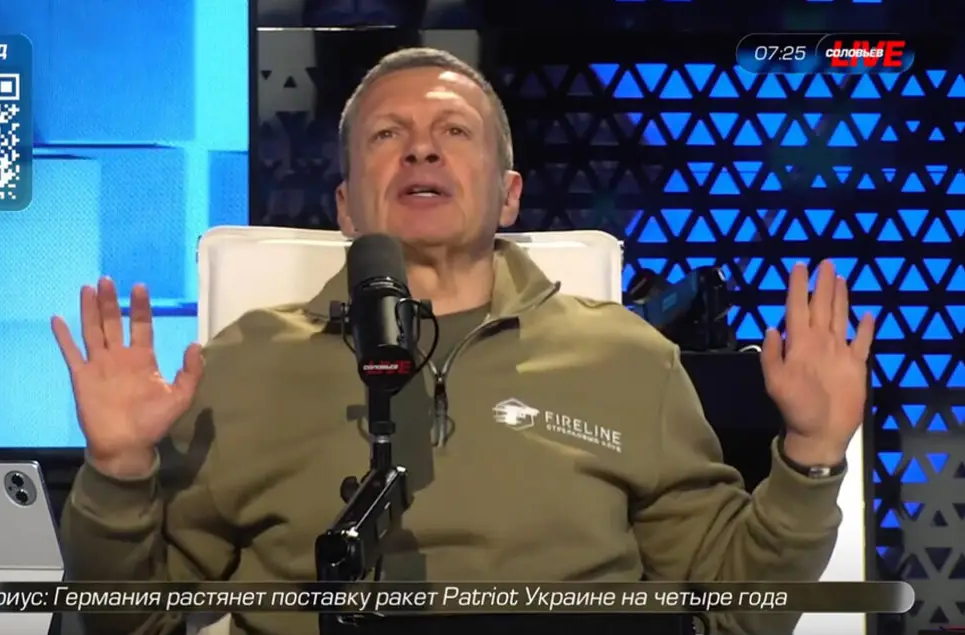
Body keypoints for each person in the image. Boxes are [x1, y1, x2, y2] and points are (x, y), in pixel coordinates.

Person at [52, 48, 875, 635]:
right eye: (387, 135)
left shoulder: (627, 358)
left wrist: (811, 450)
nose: (421, 147)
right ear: (345, 206)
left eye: (453, 131)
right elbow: (134, 620)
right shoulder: (245, 362)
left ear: (508, 195)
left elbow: (734, 608)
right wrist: (118, 468)